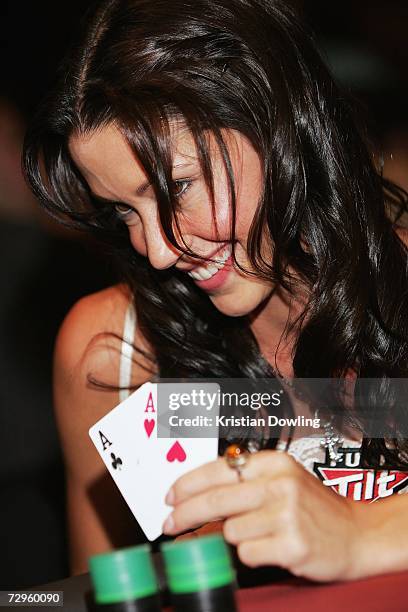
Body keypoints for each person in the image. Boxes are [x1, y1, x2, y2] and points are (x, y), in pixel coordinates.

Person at [23, 0, 408, 582]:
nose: (155, 249)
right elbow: (105, 594)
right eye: (124, 210)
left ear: (276, 124)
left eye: (177, 185)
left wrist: (361, 533)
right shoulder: (116, 354)